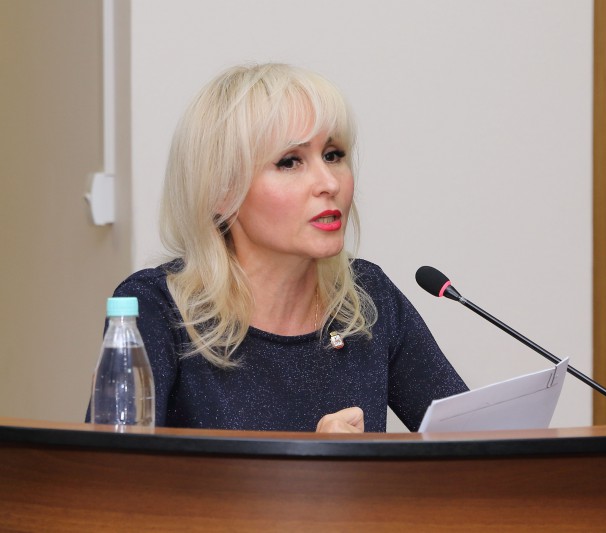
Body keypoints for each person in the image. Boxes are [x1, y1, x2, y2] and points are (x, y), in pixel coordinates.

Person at [105, 63, 468, 433]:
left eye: (333, 155)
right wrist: (311, 461)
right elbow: (110, 466)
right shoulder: (156, 309)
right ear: (221, 192)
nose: (329, 183)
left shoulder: (367, 297)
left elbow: (475, 443)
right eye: (290, 162)